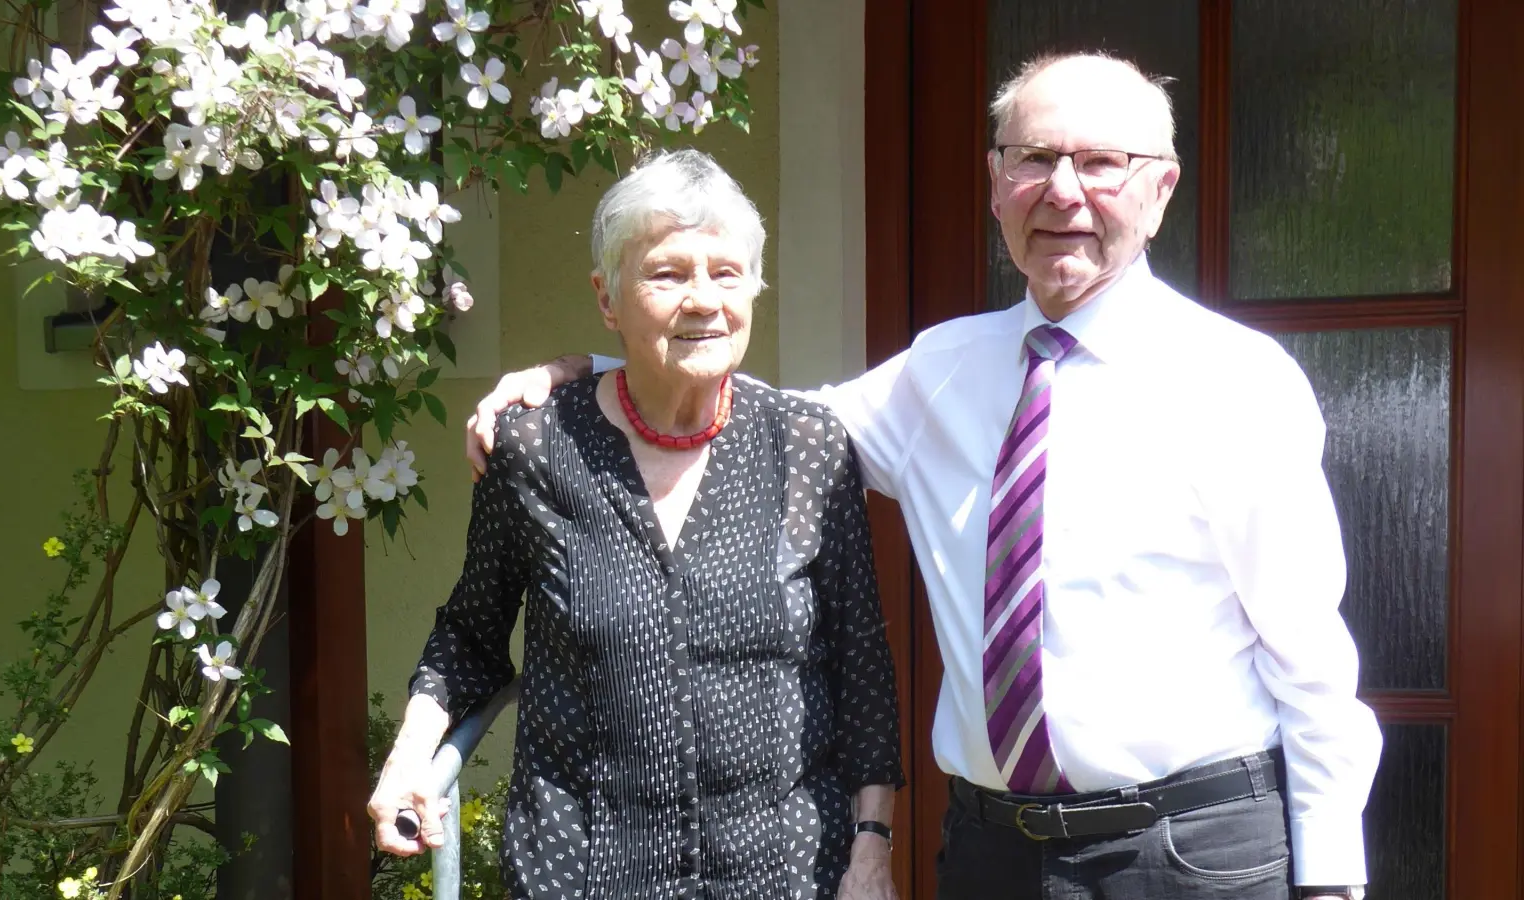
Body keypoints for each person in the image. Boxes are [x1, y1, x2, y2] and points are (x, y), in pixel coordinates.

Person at [461, 54, 1382, 900]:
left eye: (1102, 162)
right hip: (994, 854)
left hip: (1193, 850)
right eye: (1033, 159)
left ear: (1161, 186)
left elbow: (1310, 661)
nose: (1063, 191)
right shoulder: (939, 372)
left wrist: (1331, 878)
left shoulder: (1238, 381)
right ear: (996, 184)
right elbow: (755, 419)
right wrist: (588, 373)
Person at [368, 149, 906, 900]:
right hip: (581, 871)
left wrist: (872, 849)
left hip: (784, 874)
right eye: (667, 273)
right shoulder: (535, 447)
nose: (703, 300)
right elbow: (470, 634)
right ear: (608, 297)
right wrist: (408, 765)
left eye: (726, 273)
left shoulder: (808, 445)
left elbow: (861, 667)